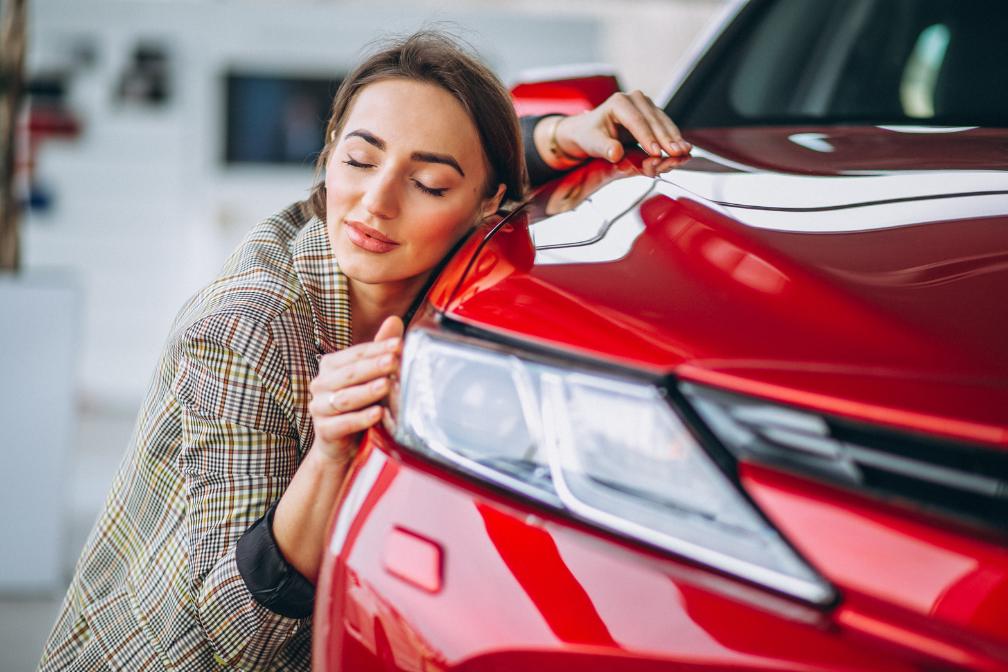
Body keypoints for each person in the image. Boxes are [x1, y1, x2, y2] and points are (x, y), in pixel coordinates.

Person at [39, 30, 691, 671]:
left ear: (487, 205)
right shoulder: (249, 325)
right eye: (359, 159)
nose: (375, 204)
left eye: (429, 185)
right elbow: (242, 637)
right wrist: (328, 454)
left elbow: (479, 151)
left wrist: (561, 136)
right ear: (329, 152)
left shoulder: (471, 234)